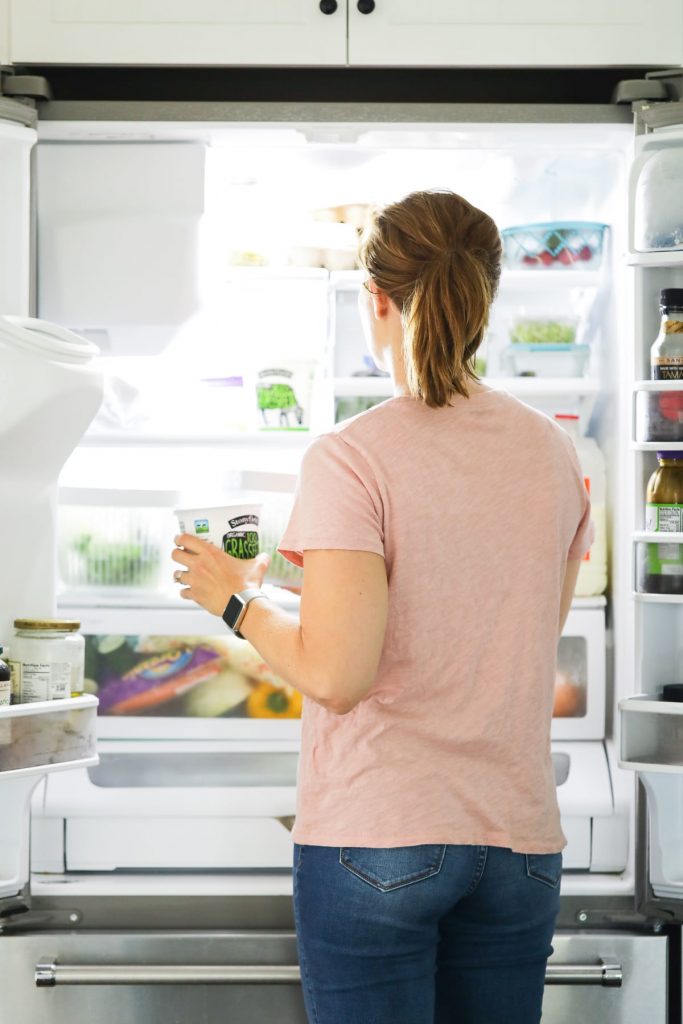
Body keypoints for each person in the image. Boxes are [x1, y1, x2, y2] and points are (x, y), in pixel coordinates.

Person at [171, 189, 593, 1024]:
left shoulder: (352, 456)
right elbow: (504, 631)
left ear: (375, 302)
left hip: (381, 841)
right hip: (519, 846)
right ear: (484, 296)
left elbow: (336, 674)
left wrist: (235, 602)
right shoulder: (551, 452)